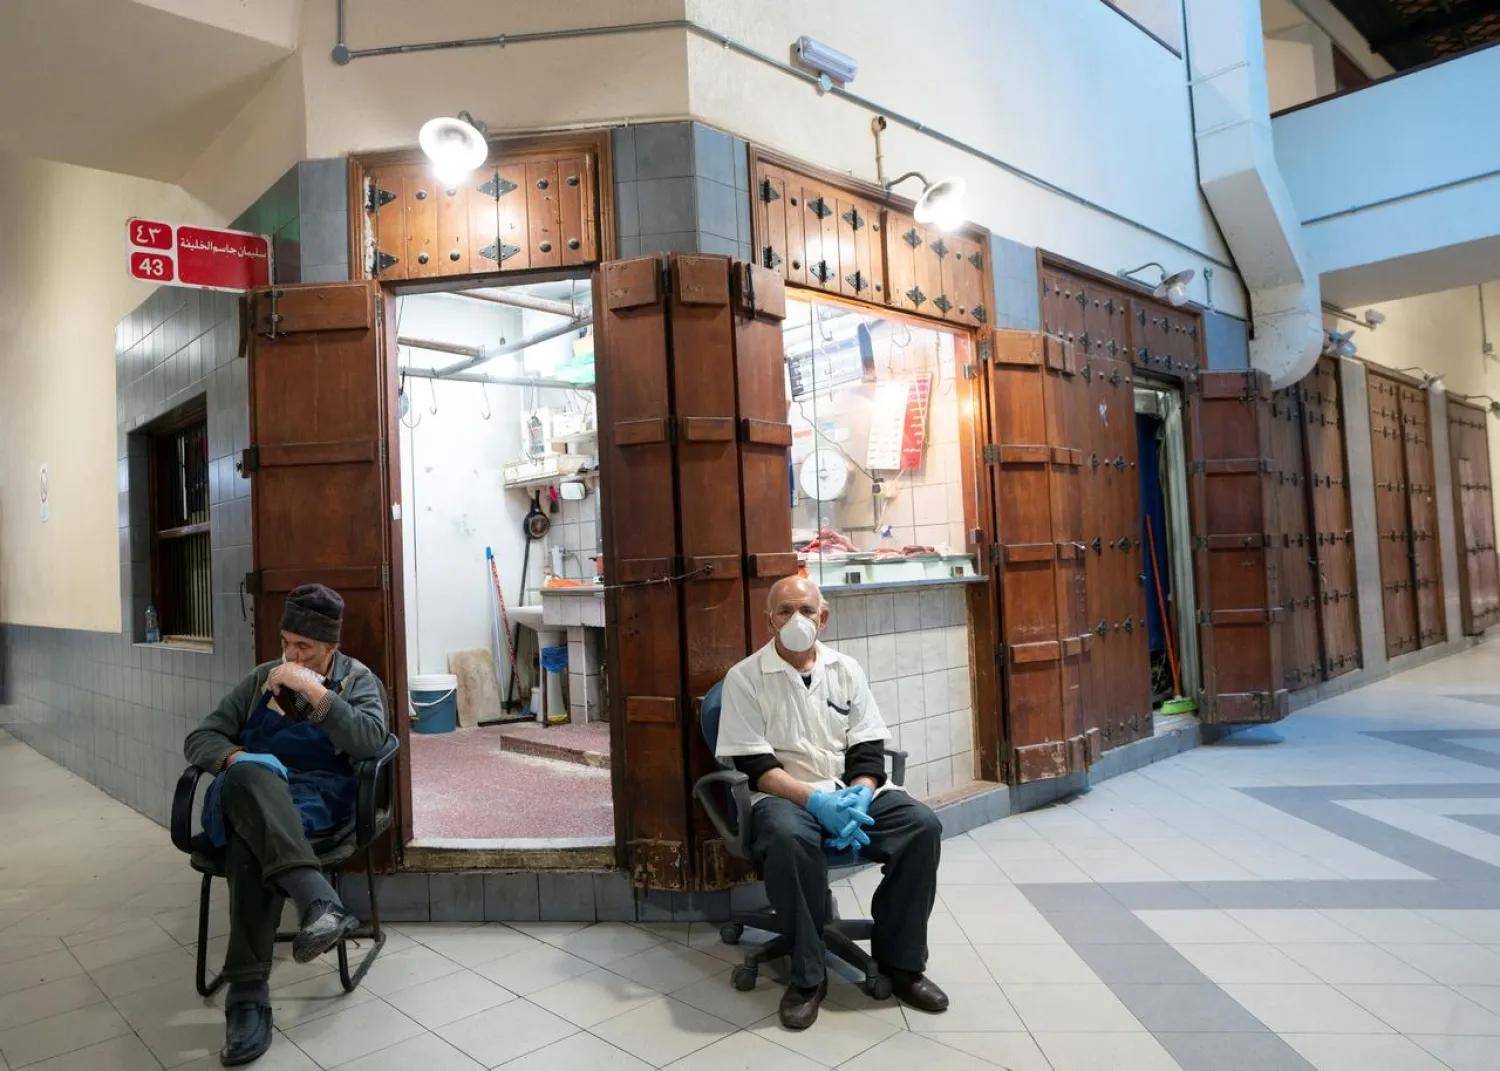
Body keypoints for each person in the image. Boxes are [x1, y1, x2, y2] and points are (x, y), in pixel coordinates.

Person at [715, 575, 949, 1030]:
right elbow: (755, 764)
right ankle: (807, 978)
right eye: (784, 611)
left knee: (921, 827)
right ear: (769, 622)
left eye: (805, 610)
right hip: (784, 795)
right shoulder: (744, 678)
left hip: (847, 791)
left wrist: (859, 793)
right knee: (788, 838)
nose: (795, 620)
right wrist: (816, 803)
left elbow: (866, 749)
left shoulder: (847, 670)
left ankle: (901, 964)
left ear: (823, 618)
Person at [184, 585, 389, 1067]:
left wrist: (317, 696)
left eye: (305, 649)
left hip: (313, 797)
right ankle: (319, 899)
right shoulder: (261, 679)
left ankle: (247, 998)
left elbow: (371, 743)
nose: (291, 655)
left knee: (248, 844)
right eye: (287, 643)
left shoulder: (357, 682)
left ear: (331, 650)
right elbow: (202, 736)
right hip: (246, 787)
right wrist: (234, 756)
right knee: (248, 778)